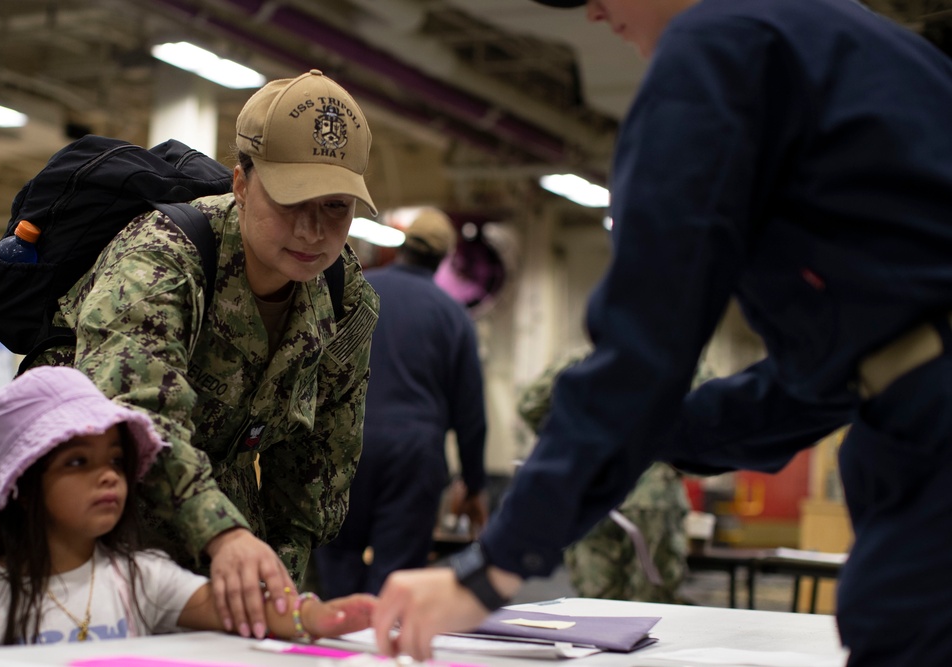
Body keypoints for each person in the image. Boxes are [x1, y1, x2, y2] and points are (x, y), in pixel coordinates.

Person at [370, 1, 952, 665]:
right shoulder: (840, 38)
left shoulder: (721, 42)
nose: (591, 10)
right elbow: (816, 380)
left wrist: (490, 568)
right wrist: (661, 431)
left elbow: (646, 339)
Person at [0, 69, 380, 641]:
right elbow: (136, 418)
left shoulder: (344, 295)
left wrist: (277, 597)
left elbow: (320, 462)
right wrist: (224, 536)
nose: (313, 230)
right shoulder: (160, 256)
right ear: (241, 183)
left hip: (208, 485)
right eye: (291, 200)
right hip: (75, 490)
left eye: (335, 207)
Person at [0, 366, 375, 648]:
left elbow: (241, 610)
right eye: (77, 461)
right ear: (22, 487)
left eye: (117, 460)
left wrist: (315, 618)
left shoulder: (139, 577)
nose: (108, 476)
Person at [314, 208, 488, 598]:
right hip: (413, 456)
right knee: (395, 576)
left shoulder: (358, 291)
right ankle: (382, 647)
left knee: (337, 554)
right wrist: (474, 484)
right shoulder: (453, 316)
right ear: (444, 259)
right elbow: (470, 413)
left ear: (403, 245)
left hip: (345, 443)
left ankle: (341, 638)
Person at [517, 348, 713, 603]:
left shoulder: (588, 358)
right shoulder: (680, 358)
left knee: (597, 605)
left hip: (591, 493)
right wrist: (676, 455)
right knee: (654, 605)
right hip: (652, 494)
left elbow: (530, 404)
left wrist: (571, 442)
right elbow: (710, 417)